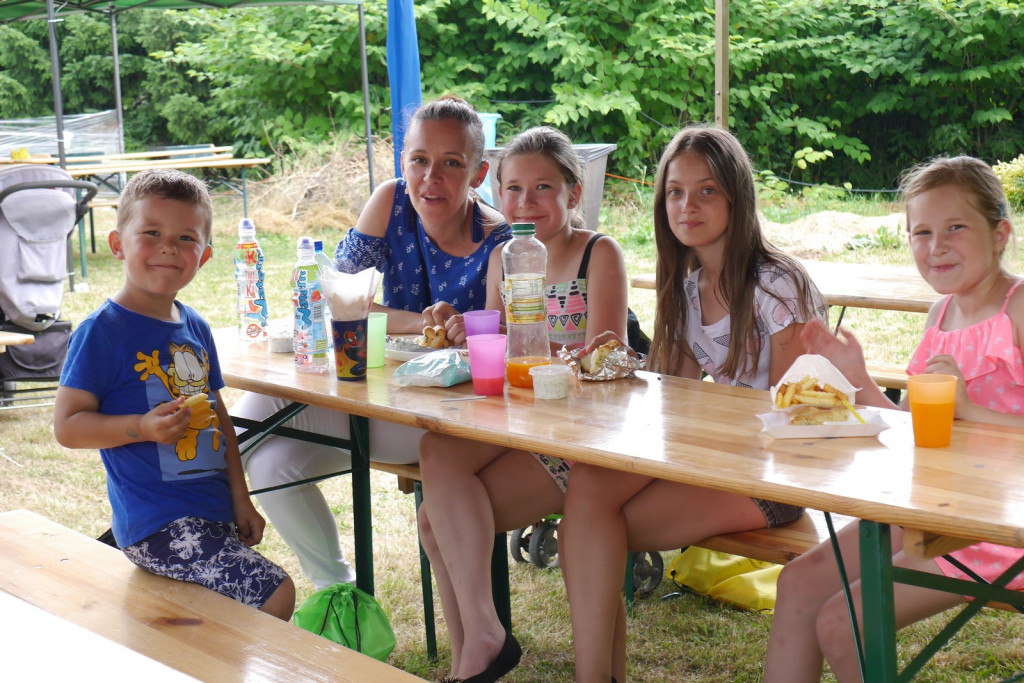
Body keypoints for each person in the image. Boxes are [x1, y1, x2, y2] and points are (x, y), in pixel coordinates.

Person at [557, 124, 828, 682]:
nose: (688, 205)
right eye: (675, 192)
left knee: (592, 529)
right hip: (710, 458)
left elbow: (795, 418)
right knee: (586, 498)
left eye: (707, 191)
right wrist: (609, 366)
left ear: (737, 195)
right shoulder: (684, 286)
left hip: (775, 475)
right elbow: (668, 397)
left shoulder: (778, 286)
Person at [231, 95, 511, 590]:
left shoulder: (499, 239)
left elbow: (506, 344)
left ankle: (186, 526)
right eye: (419, 160)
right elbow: (331, 297)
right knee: (271, 462)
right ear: (403, 161)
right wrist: (419, 320)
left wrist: (463, 329)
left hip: (445, 425)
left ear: (479, 172)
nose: (431, 178)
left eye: (451, 163)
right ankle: (340, 596)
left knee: (247, 427)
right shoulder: (391, 202)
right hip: (373, 396)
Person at [763, 155, 1024, 682]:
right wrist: (856, 379)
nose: (937, 246)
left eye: (955, 227)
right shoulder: (940, 316)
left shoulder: (1018, 308)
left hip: (1002, 524)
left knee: (842, 623)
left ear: (1000, 233)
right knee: (798, 584)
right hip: (934, 510)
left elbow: (964, 420)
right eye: (921, 232)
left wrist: (971, 411)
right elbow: (912, 433)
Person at [416, 125, 630, 683]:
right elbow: (503, 346)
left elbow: (611, 354)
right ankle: (478, 645)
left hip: (583, 440)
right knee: (435, 456)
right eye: (513, 189)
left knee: (436, 521)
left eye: (542, 188)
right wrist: (471, 331)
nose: (525, 202)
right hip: (520, 423)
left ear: (572, 194)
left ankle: (478, 652)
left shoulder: (597, 254)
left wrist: (544, 348)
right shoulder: (502, 258)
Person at [53, 169, 295, 620]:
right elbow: (67, 427)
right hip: (156, 527)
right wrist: (141, 427)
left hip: (212, 516)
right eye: (151, 232)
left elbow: (219, 417)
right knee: (274, 593)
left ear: (203, 257)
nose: (169, 246)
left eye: (186, 238)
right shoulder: (101, 332)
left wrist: (241, 498)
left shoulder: (195, 326)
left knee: (226, 617)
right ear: (117, 244)